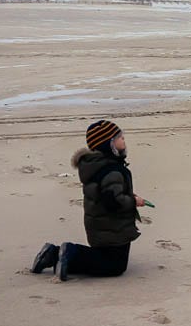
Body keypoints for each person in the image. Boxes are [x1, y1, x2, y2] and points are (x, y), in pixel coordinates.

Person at [30, 120, 146, 280]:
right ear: (109, 144)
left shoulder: (97, 166)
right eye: (119, 137)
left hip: (101, 226)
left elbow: (108, 194)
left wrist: (127, 196)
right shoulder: (112, 171)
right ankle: (70, 253)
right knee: (115, 266)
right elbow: (113, 201)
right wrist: (134, 201)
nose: (124, 139)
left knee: (108, 260)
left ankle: (53, 254)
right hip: (112, 228)